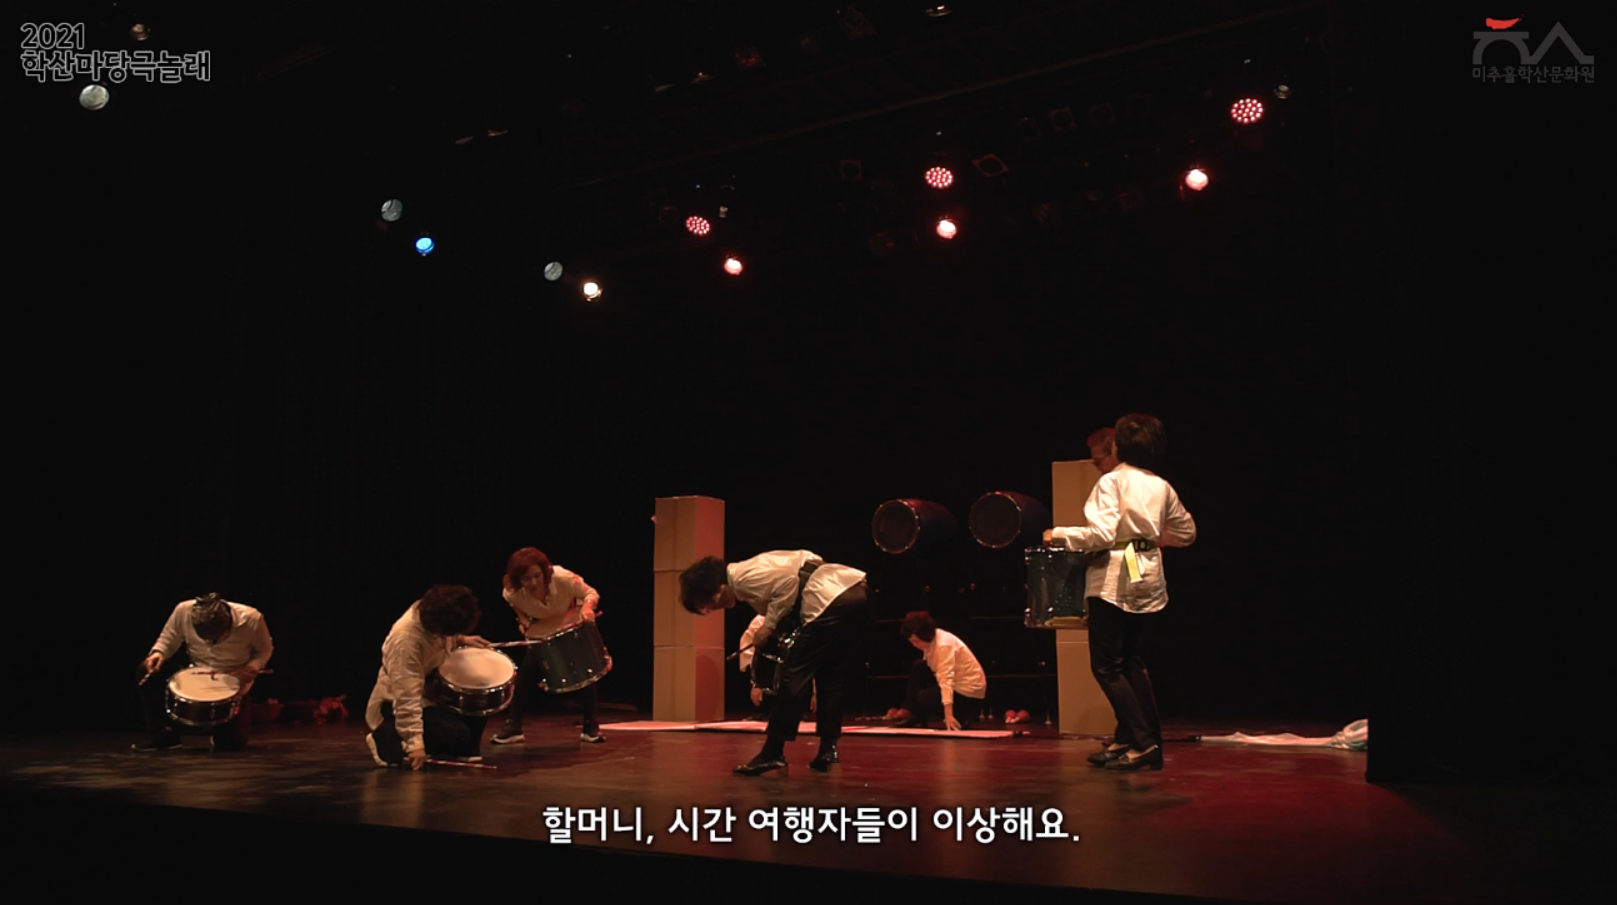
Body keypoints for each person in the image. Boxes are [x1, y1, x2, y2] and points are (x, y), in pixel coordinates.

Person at [1045, 413, 1195, 772]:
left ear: (1119, 447)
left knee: (1106, 666)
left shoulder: (1112, 482)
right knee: (1130, 661)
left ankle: (1144, 743)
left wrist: (1060, 534)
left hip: (1114, 576)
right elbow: (1186, 532)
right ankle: (1137, 738)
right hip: (1147, 573)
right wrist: (1147, 540)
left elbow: (1101, 535)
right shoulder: (1160, 485)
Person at [682, 550, 870, 775]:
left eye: (706, 602)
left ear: (714, 586)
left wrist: (768, 626)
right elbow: (807, 561)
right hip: (855, 594)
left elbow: (788, 582)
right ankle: (828, 751)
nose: (712, 608)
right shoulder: (752, 572)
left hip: (830, 599)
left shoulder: (742, 577)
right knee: (830, 677)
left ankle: (773, 753)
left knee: (793, 675)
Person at [365, 585, 493, 770]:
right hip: (394, 702)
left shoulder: (432, 616)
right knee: (455, 734)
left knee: (478, 697)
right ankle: (386, 735)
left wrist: (462, 639)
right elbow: (407, 697)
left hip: (429, 692)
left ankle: (462, 748)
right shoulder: (405, 642)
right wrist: (415, 744)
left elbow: (439, 639)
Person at [491, 547, 606, 745]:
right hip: (542, 632)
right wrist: (523, 621)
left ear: (545, 572)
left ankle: (591, 727)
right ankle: (513, 727)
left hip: (570, 623)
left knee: (585, 675)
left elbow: (590, 593)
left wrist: (587, 608)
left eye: (537, 576)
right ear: (518, 580)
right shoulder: (512, 593)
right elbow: (517, 609)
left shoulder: (563, 578)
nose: (534, 583)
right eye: (527, 579)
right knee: (524, 678)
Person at [134, 593, 272, 752]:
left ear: (228, 623)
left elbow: (264, 650)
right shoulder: (183, 610)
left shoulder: (252, 618)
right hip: (198, 673)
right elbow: (168, 639)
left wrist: (251, 668)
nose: (209, 643)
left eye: (214, 638)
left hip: (234, 680)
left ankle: (221, 731)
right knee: (146, 670)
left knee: (231, 745)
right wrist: (158, 653)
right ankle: (163, 733)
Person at [890, 611, 986, 730]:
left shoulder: (943, 645)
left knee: (923, 698)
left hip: (967, 693)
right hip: (956, 682)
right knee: (919, 667)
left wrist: (948, 714)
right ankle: (914, 714)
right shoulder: (932, 640)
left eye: (916, 641)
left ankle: (962, 714)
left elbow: (946, 679)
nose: (914, 645)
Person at [740, 613, 815, 720]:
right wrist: (755, 684)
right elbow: (750, 655)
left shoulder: (805, 622)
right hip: (767, 690)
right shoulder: (760, 621)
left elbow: (812, 659)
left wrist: (815, 692)